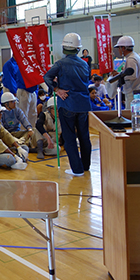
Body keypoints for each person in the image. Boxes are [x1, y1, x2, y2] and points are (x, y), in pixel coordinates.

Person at [44, 32, 92, 176]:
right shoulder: (84, 64)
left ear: (64, 47)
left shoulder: (60, 63)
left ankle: (77, 170)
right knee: (84, 136)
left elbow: (47, 77)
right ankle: (86, 166)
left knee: (70, 137)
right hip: (83, 105)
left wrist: (57, 89)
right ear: (78, 48)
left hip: (67, 104)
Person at [111, 36, 140, 109]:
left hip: (133, 93)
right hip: (137, 92)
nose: (118, 50)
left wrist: (120, 76)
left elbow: (132, 75)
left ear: (123, 48)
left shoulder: (131, 59)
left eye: (119, 48)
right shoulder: (134, 56)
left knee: (132, 116)